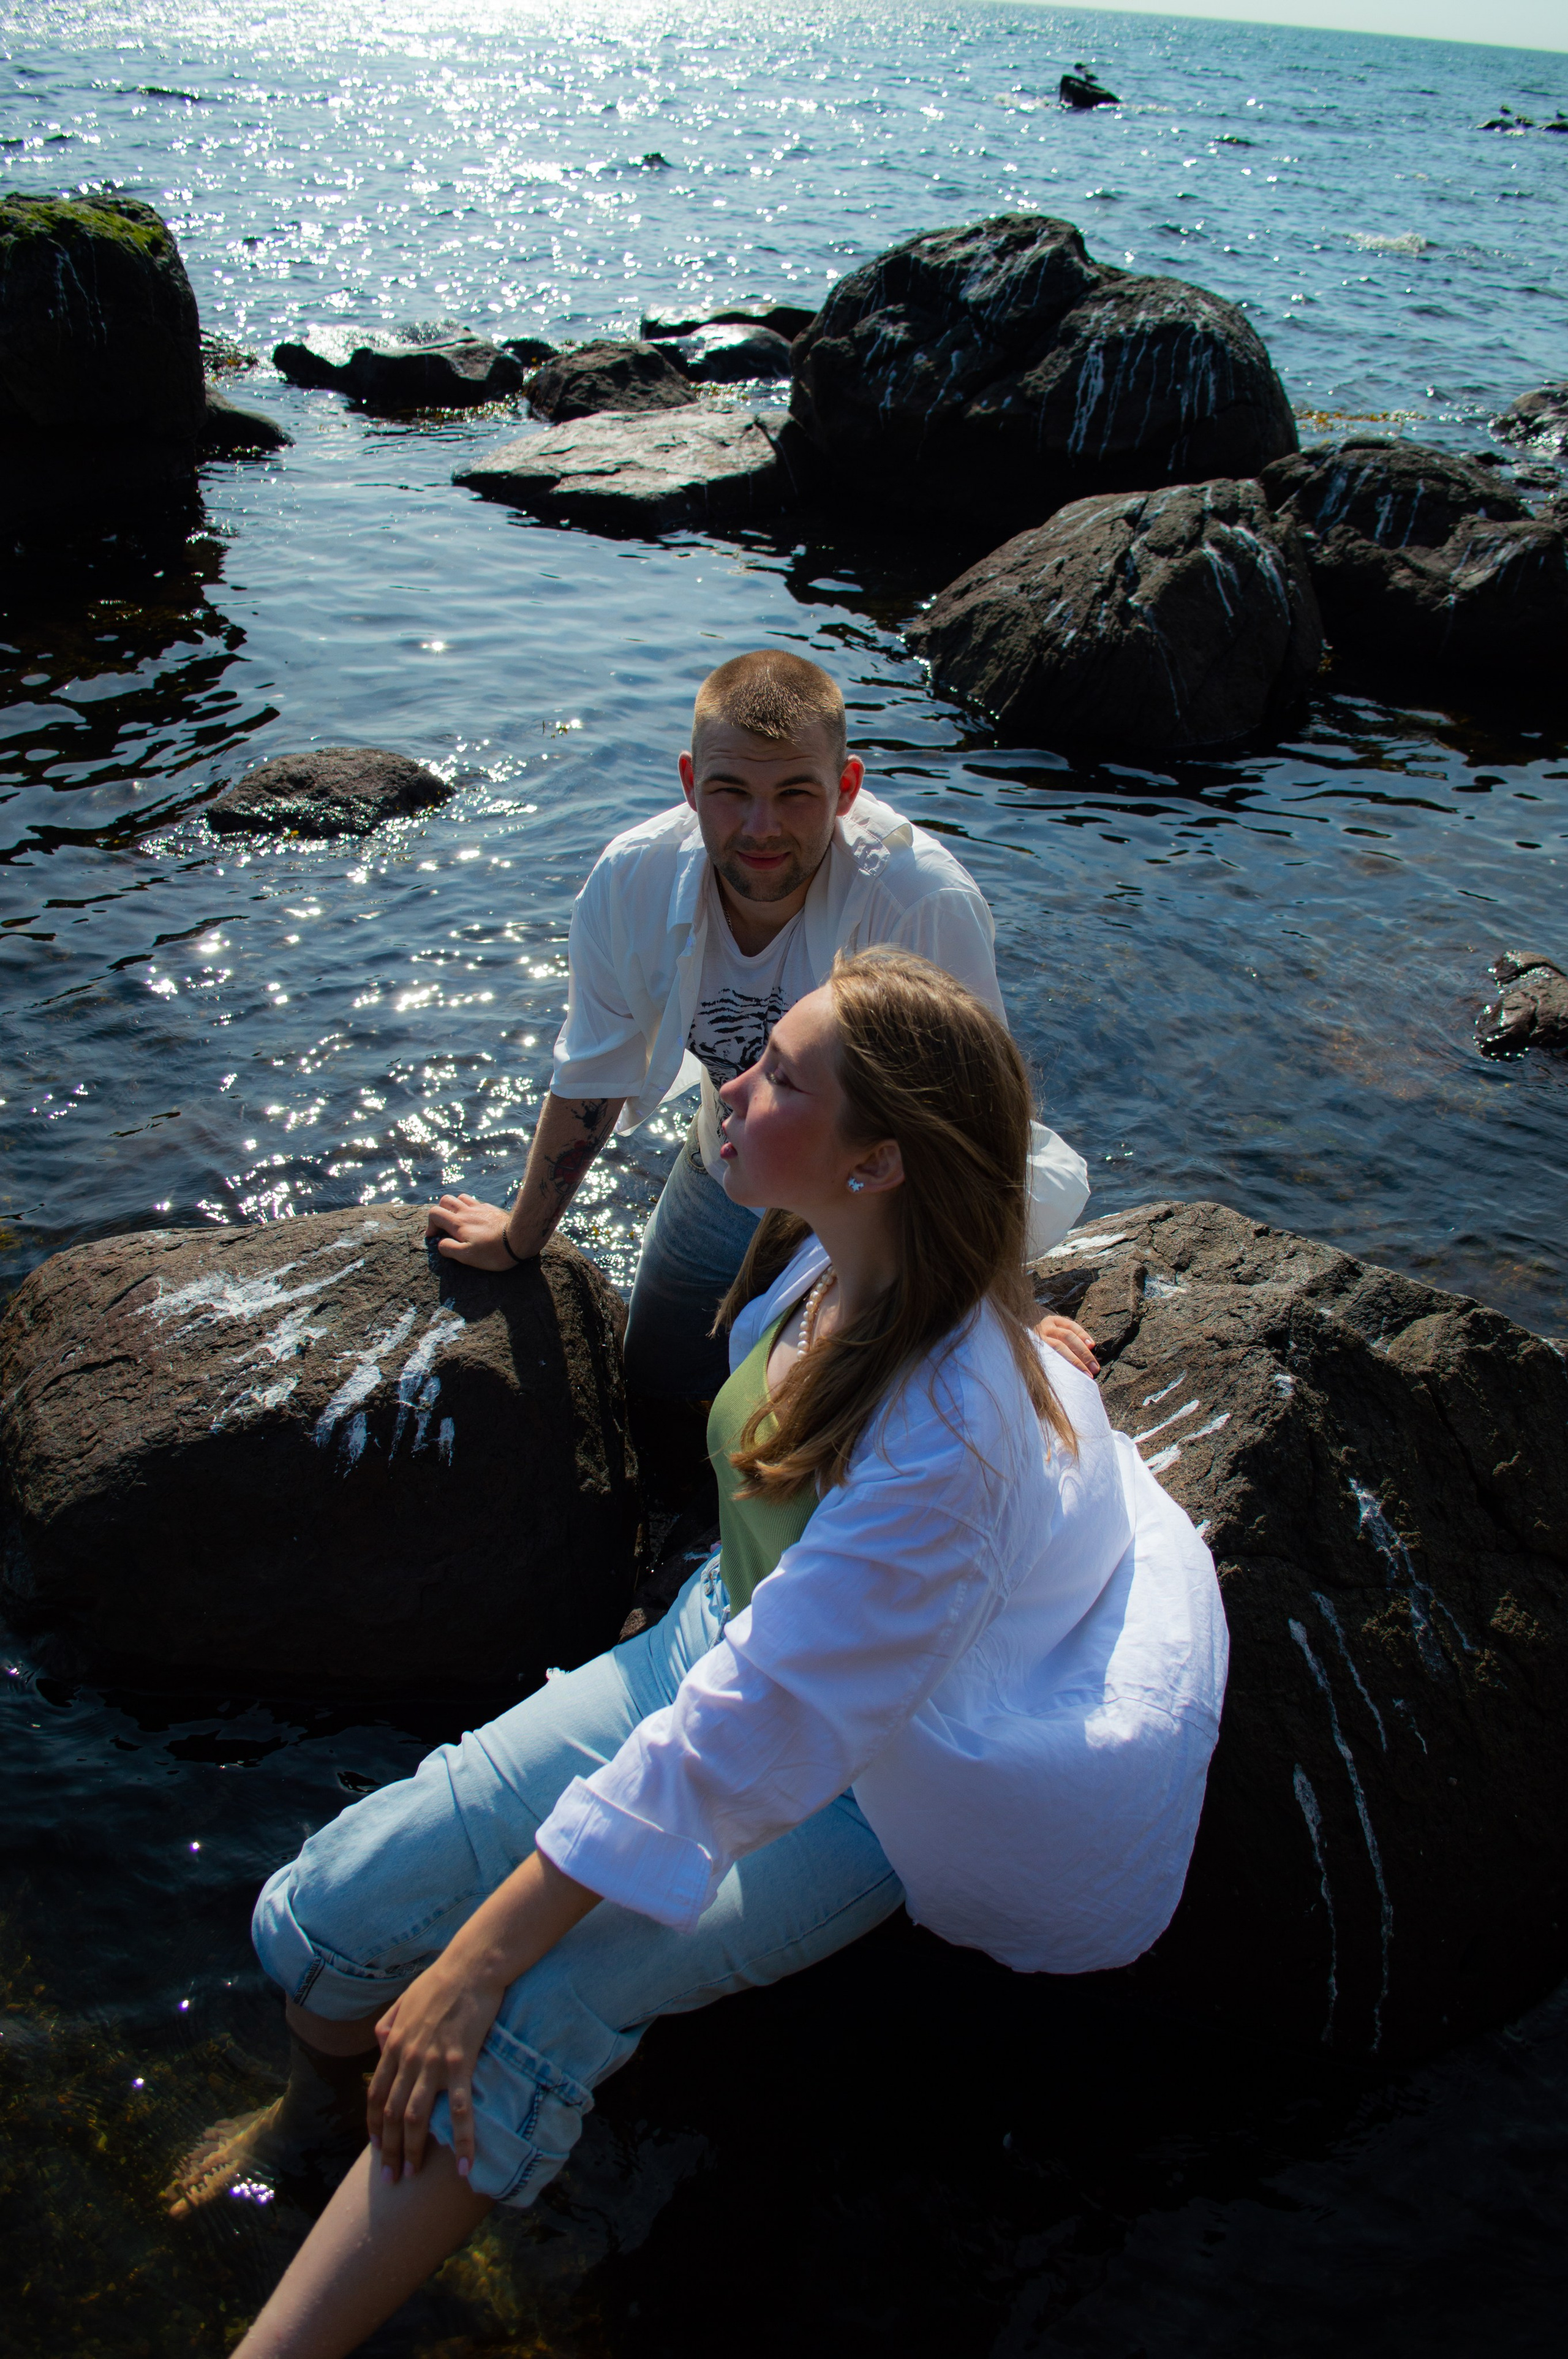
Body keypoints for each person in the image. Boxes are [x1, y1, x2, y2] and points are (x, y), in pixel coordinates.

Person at [202, 949, 1226, 2359]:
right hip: (720, 1637)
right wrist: (1034, 1318)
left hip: (876, 1780)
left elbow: (760, 1725)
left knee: (530, 2012)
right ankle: (318, 2126)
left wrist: (481, 1960)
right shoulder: (845, 1233)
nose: (730, 1085)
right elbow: (1018, 1180)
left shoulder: (947, 1449)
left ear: (876, 1162)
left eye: (780, 1076)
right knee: (340, 1912)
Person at [423, 647, 1092, 1400]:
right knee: (657, 1382)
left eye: (796, 793)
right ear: (689, 785)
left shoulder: (915, 899)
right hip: (730, 1161)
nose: (761, 827)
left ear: (846, 788)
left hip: (870, 1196)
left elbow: (975, 1118)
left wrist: (1002, 1305)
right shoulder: (628, 879)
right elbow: (593, 1076)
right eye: (730, 790)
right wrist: (519, 1240)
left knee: (836, 1400)